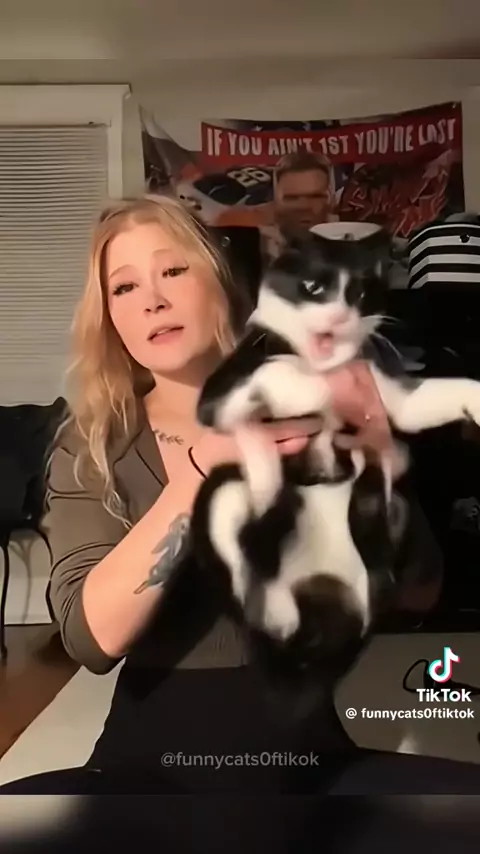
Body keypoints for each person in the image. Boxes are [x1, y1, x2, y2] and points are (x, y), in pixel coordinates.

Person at [2, 195, 480, 813]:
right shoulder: (93, 445)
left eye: (173, 270)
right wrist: (202, 470)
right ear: (111, 318)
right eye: (124, 287)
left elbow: (419, 591)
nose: (152, 300)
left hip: (310, 763)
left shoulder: (307, 412)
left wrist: (381, 471)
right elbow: (91, 639)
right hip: (150, 776)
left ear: (221, 283)